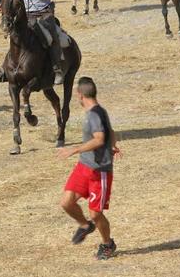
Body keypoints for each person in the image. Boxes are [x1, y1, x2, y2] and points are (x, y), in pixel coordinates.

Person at [58, 77, 121, 260]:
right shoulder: (98, 111)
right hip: (84, 166)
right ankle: (85, 226)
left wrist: (74, 149)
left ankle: (108, 244)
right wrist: (113, 144)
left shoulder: (94, 114)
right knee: (66, 202)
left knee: (96, 213)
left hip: (99, 171)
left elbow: (100, 138)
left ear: (79, 94)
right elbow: (111, 132)